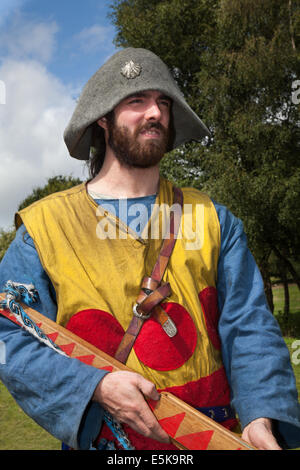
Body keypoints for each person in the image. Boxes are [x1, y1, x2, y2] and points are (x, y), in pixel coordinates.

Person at [0, 48, 300, 451]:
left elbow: (249, 326)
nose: (155, 112)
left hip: (212, 438)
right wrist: (95, 386)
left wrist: (261, 415)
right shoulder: (44, 228)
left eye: (163, 103)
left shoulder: (214, 219)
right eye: (136, 101)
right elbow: (9, 335)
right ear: (103, 120)